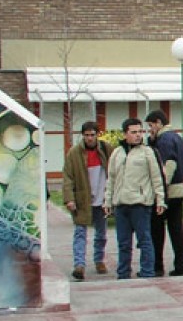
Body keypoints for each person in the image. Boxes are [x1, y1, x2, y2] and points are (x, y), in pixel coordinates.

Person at [104, 118, 166, 280]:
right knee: (123, 243)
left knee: (145, 240)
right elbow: (111, 179)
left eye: (140, 132)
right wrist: (108, 201)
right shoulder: (117, 153)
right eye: (134, 132)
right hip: (121, 205)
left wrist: (160, 200)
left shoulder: (148, 152)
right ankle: (123, 273)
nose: (138, 135)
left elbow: (156, 178)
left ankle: (147, 272)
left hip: (140, 204)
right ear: (125, 134)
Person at [62, 121, 112, 281]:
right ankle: (79, 265)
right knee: (80, 233)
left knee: (101, 233)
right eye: (87, 135)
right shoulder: (74, 153)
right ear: (82, 136)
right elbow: (68, 177)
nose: (90, 138)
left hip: (102, 198)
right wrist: (69, 198)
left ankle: (99, 260)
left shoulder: (106, 149)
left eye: (92, 135)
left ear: (97, 134)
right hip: (82, 199)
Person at [145, 110, 183, 277]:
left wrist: (161, 190)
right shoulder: (177, 137)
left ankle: (157, 266)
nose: (150, 130)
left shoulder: (164, 140)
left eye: (151, 126)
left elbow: (168, 164)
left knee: (157, 230)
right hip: (179, 189)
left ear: (158, 123)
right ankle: (180, 265)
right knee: (177, 229)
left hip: (167, 191)